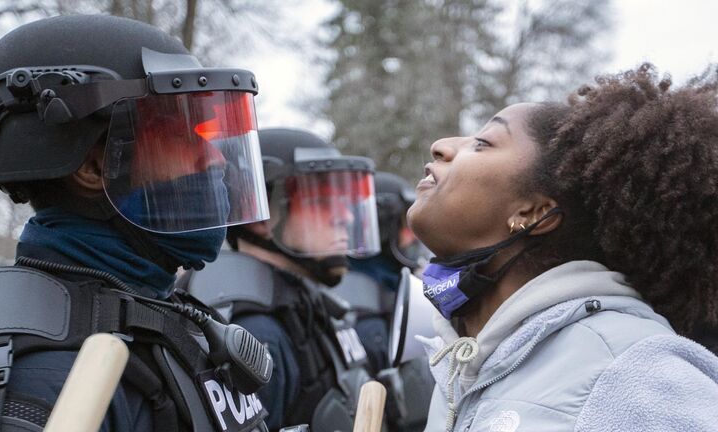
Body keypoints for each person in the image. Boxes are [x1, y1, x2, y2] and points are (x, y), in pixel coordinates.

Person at [0, 15, 273, 432]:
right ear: (94, 166)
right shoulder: (40, 380)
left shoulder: (159, 317)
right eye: (179, 134)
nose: (214, 158)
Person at [409, 64, 718, 431]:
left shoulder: (634, 370)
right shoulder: (463, 364)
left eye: (483, 143)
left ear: (534, 212)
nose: (442, 146)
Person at [179, 128, 380, 431]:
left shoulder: (308, 308)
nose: (347, 217)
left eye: (345, 202)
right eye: (323, 201)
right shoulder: (255, 332)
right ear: (261, 217)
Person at [332, 171, 433, 431]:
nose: (413, 237)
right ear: (381, 226)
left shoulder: (392, 289)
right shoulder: (366, 317)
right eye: (405, 225)